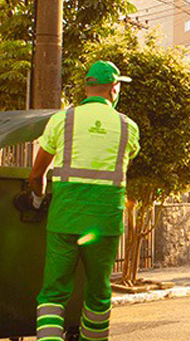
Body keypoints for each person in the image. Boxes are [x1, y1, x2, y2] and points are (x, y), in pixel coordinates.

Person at [27, 61, 140, 341]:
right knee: (99, 293)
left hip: (65, 218)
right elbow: (127, 160)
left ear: (87, 87)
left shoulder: (62, 120)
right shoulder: (128, 127)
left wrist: (38, 200)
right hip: (104, 222)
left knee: (53, 292)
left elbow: (36, 175)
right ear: (114, 89)